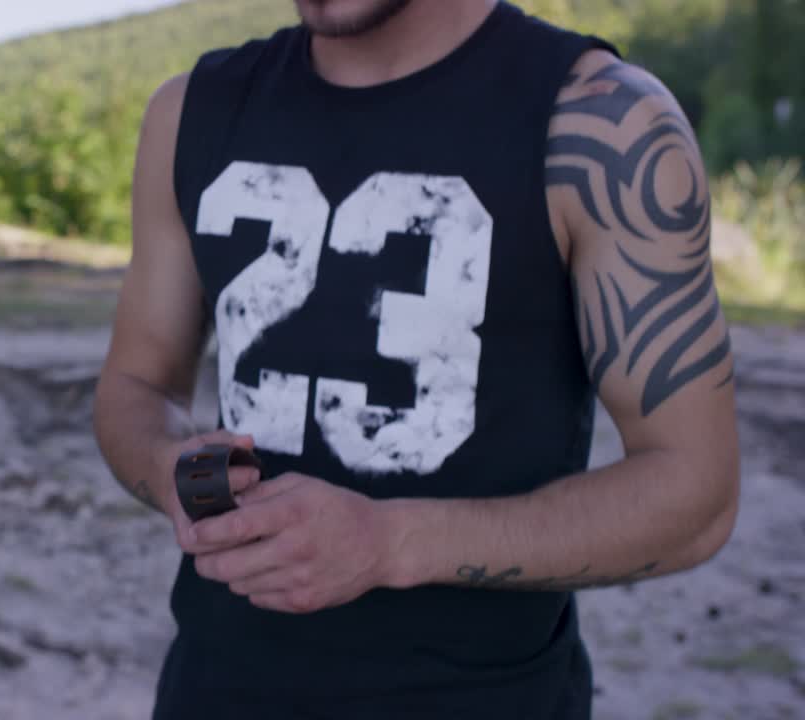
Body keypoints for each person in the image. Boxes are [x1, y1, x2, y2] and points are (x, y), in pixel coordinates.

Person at [92, 0, 741, 717]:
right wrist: (168, 465)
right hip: (213, 689)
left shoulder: (602, 126)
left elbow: (695, 493)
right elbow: (135, 382)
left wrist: (389, 542)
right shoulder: (193, 110)